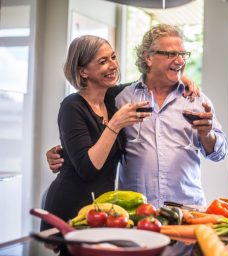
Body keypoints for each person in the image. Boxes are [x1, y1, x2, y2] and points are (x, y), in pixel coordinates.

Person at [47, 24, 228, 208]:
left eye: (182, 54)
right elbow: (84, 137)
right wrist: (62, 154)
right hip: (135, 214)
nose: (180, 60)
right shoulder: (120, 99)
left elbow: (220, 153)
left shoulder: (195, 100)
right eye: (170, 54)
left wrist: (207, 134)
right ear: (148, 57)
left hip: (188, 210)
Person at [41, 35, 151, 230]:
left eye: (113, 57)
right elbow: (87, 169)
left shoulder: (112, 98)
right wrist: (115, 125)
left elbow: (151, 80)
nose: (113, 65)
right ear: (83, 71)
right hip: (70, 207)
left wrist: (181, 78)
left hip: (101, 209)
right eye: (103, 61)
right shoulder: (72, 106)